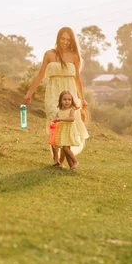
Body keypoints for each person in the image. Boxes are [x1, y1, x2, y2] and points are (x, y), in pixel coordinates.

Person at [24, 27, 89, 166]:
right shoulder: (49, 54)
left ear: (71, 41)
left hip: (69, 93)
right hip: (53, 92)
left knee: (67, 124)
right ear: (58, 38)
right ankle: (55, 158)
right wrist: (29, 92)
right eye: (62, 38)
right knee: (54, 122)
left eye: (68, 39)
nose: (65, 42)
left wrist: (82, 98)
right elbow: (40, 74)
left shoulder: (74, 56)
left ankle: (62, 160)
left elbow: (78, 79)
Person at [52, 90, 82, 170]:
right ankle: (71, 166)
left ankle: (75, 161)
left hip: (68, 131)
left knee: (65, 148)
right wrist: (54, 122)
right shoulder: (59, 111)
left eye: (69, 100)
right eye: (64, 99)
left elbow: (72, 119)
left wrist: (60, 119)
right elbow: (56, 119)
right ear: (60, 101)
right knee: (66, 149)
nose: (67, 101)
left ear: (72, 101)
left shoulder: (71, 110)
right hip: (62, 131)